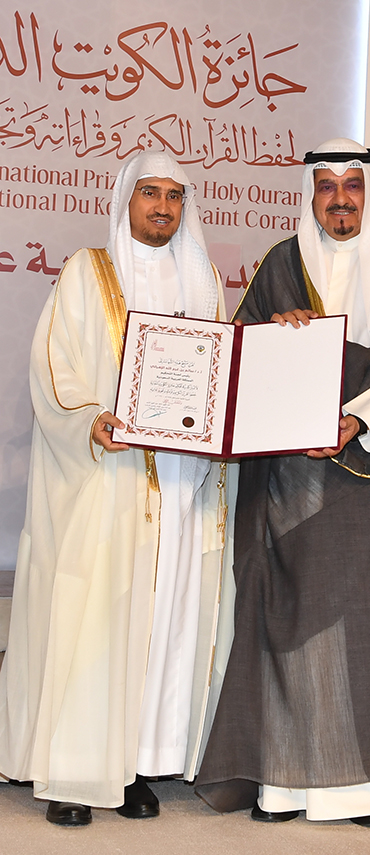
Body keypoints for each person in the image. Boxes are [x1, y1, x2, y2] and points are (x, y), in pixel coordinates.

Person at [194, 138, 370, 827]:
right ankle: (284, 782)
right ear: (310, 194)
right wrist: (276, 333)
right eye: (327, 185)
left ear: (368, 191)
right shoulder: (281, 263)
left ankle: (368, 785)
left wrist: (356, 417)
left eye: (352, 184)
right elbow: (236, 361)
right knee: (290, 623)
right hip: (294, 486)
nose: (340, 197)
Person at [0, 153, 228, 826]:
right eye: (150, 194)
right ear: (126, 200)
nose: (162, 206)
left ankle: (133, 764)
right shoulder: (84, 271)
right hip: (107, 479)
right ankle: (73, 770)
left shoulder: (206, 280)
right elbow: (55, 367)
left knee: (161, 626)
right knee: (93, 621)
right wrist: (90, 417)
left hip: (179, 489)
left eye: (174, 196)